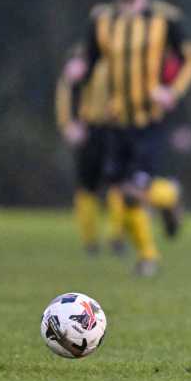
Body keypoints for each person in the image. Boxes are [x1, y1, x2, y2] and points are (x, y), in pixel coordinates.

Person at [69, 0, 191, 276]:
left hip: (150, 119)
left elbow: (190, 59)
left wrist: (172, 91)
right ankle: (167, 201)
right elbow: (87, 62)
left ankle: (149, 256)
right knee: (122, 192)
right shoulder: (101, 19)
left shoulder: (164, 17)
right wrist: (78, 76)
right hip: (116, 121)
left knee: (131, 189)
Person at [56, 49, 126, 256]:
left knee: (117, 184)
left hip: (113, 129)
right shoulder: (82, 56)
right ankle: (92, 242)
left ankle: (114, 237)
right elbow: (65, 91)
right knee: (88, 187)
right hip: (90, 130)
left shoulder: (114, 57)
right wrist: (68, 124)